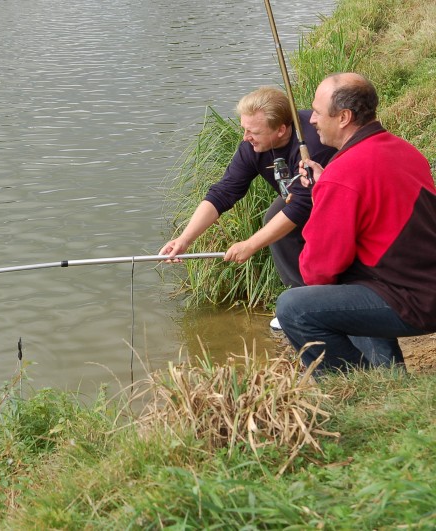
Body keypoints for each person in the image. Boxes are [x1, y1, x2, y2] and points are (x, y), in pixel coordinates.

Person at [276, 72, 436, 373]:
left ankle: (359, 391)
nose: (311, 120)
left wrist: (325, 195)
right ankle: (388, 375)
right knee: (351, 280)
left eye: (318, 113)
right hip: (422, 283)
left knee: (294, 308)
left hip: (415, 301)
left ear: (344, 117)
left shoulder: (343, 175)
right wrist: (327, 184)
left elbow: (317, 272)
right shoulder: (404, 150)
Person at [159, 87, 337, 323]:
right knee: (275, 217)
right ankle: (302, 298)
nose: (245, 137)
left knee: (290, 222)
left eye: (253, 131)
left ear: (281, 129)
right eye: (244, 129)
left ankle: (327, 301)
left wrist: (250, 245)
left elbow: (302, 207)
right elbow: (224, 192)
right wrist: (185, 239)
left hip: (337, 200)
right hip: (298, 197)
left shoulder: (313, 145)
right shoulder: (252, 147)